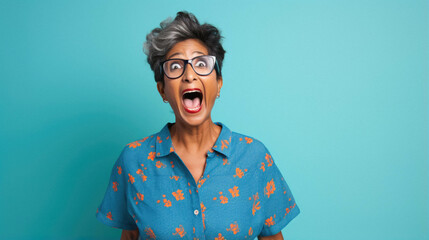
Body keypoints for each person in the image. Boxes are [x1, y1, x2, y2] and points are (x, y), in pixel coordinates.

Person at [96, 11, 300, 240]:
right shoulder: (133, 160)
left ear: (218, 84)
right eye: (175, 67)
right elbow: (130, 236)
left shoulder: (254, 157)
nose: (189, 75)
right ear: (162, 90)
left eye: (201, 63)